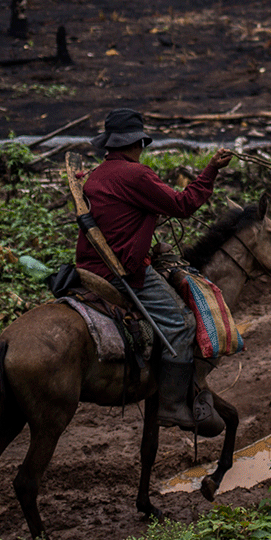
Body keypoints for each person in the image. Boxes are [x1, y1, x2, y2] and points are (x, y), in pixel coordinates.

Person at [74, 108, 235, 434]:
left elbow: (120, 220)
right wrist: (211, 169)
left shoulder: (93, 175)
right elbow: (183, 205)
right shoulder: (136, 175)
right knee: (182, 322)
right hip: (124, 271)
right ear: (139, 143)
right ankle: (173, 406)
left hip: (88, 265)